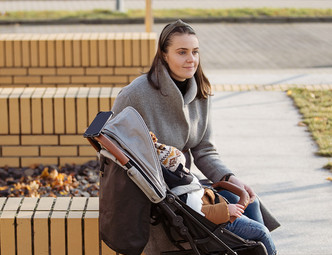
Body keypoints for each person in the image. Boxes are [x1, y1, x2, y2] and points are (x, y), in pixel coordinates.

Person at [111, 19, 279, 231]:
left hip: (186, 183)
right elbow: (113, 150)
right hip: (156, 192)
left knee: (246, 198)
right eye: (182, 52)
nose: (191, 59)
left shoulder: (201, 91)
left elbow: (205, 150)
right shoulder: (135, 95)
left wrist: (230, 178)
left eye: (195, 52)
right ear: (164, 54)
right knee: (245, 228)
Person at [150, 132, 295, 255]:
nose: (187, 169)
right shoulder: (184, 192)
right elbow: (201, 212)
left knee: (252, 202)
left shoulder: (183, 182)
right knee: (261, 231)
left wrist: (228, 179)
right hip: (220, 223)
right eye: (183, 167)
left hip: (216, 212)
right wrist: (227, 210)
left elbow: (206, 152)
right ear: (175, 172)